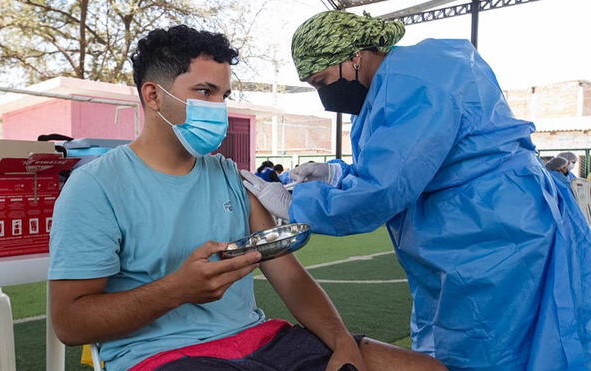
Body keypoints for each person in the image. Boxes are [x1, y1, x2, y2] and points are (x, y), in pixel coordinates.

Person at [48, 25, 445, 371]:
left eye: (224, 94)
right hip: (165, 355)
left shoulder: (229, 176)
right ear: (153, 95)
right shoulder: (95, 187)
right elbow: (70, 323)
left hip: (260, 342)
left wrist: (342, 341)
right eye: (204, 91)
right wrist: (177, 290)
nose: (219, 108)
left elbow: (288, 276)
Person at [241, 10, 591, 371]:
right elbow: (401, 165)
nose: (322, 95)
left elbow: (385, 187)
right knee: (457, 341)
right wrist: (335, 174)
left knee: (494, 349)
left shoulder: (418, 80)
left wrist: (297, 205)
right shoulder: (387, 88)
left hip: (495, 233)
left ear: (353, 57)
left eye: (321, 80)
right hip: (470, 230)